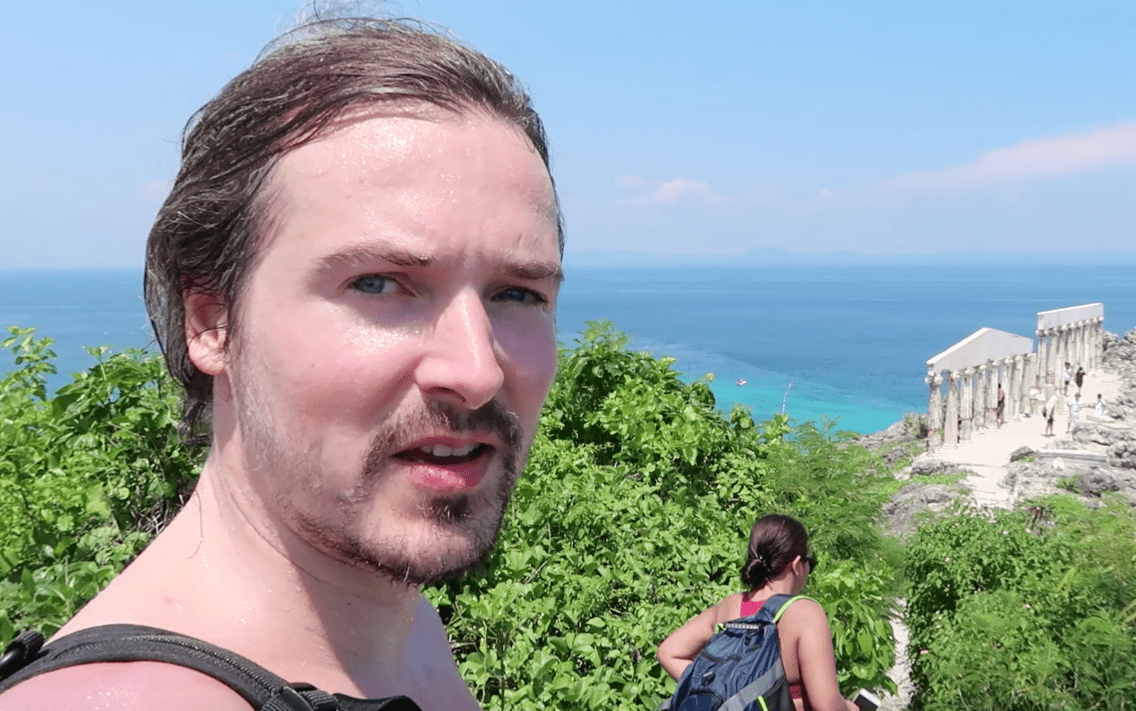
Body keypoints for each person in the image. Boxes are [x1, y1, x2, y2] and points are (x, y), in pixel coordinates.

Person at [0, 16, 563, 711]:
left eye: (518, 292)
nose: (476, 370)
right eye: (379, 283)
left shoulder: (401, 629)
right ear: (212, 320)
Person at [657, 515, 861, 711]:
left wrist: (719, 688)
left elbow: (668, 652)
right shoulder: (804, 612)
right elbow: (827, 705)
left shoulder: (730, 606)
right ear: (797, 564)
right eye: (811, 564)